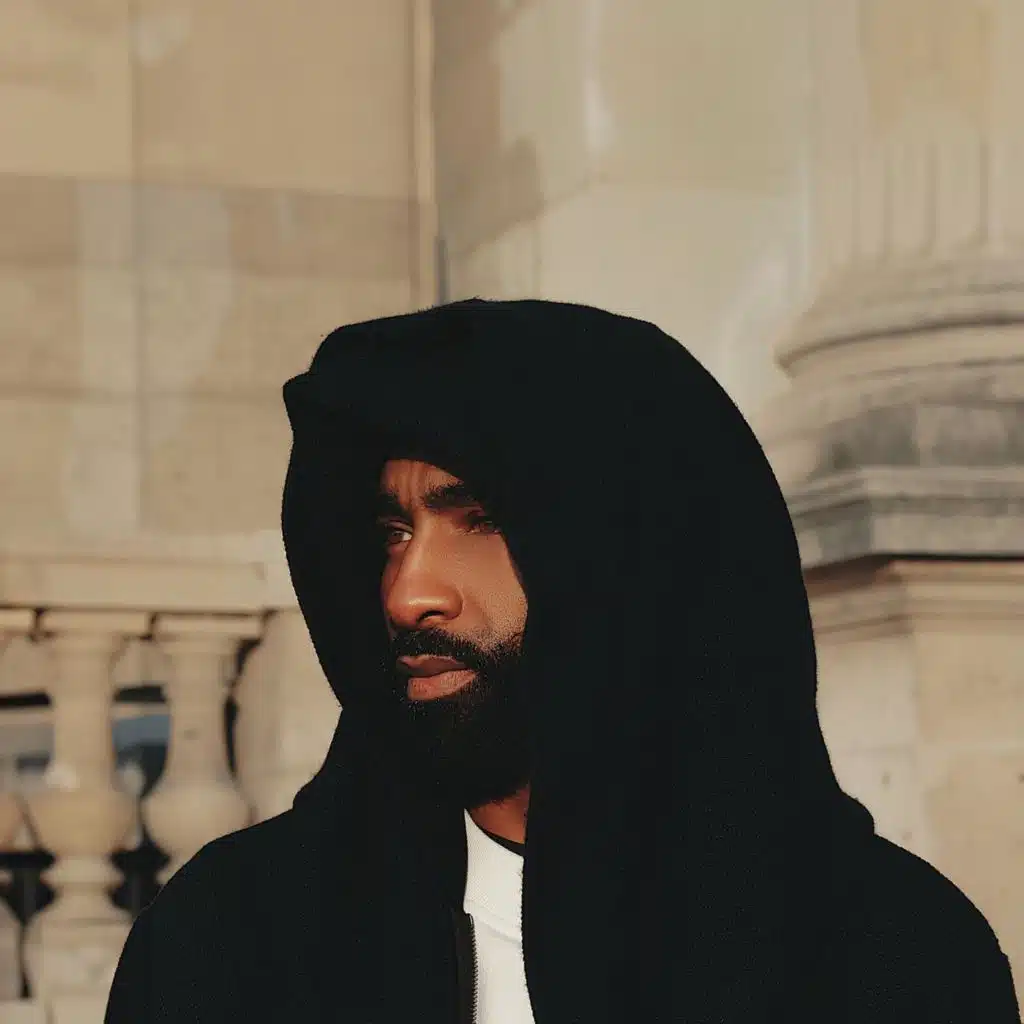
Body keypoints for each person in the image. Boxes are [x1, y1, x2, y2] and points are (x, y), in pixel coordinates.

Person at [105, 299, 1020, 1023]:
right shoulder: (231, 949)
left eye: (479, 521)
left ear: (635, 554)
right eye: (393, 532)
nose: (408, 593)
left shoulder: (891, 962)